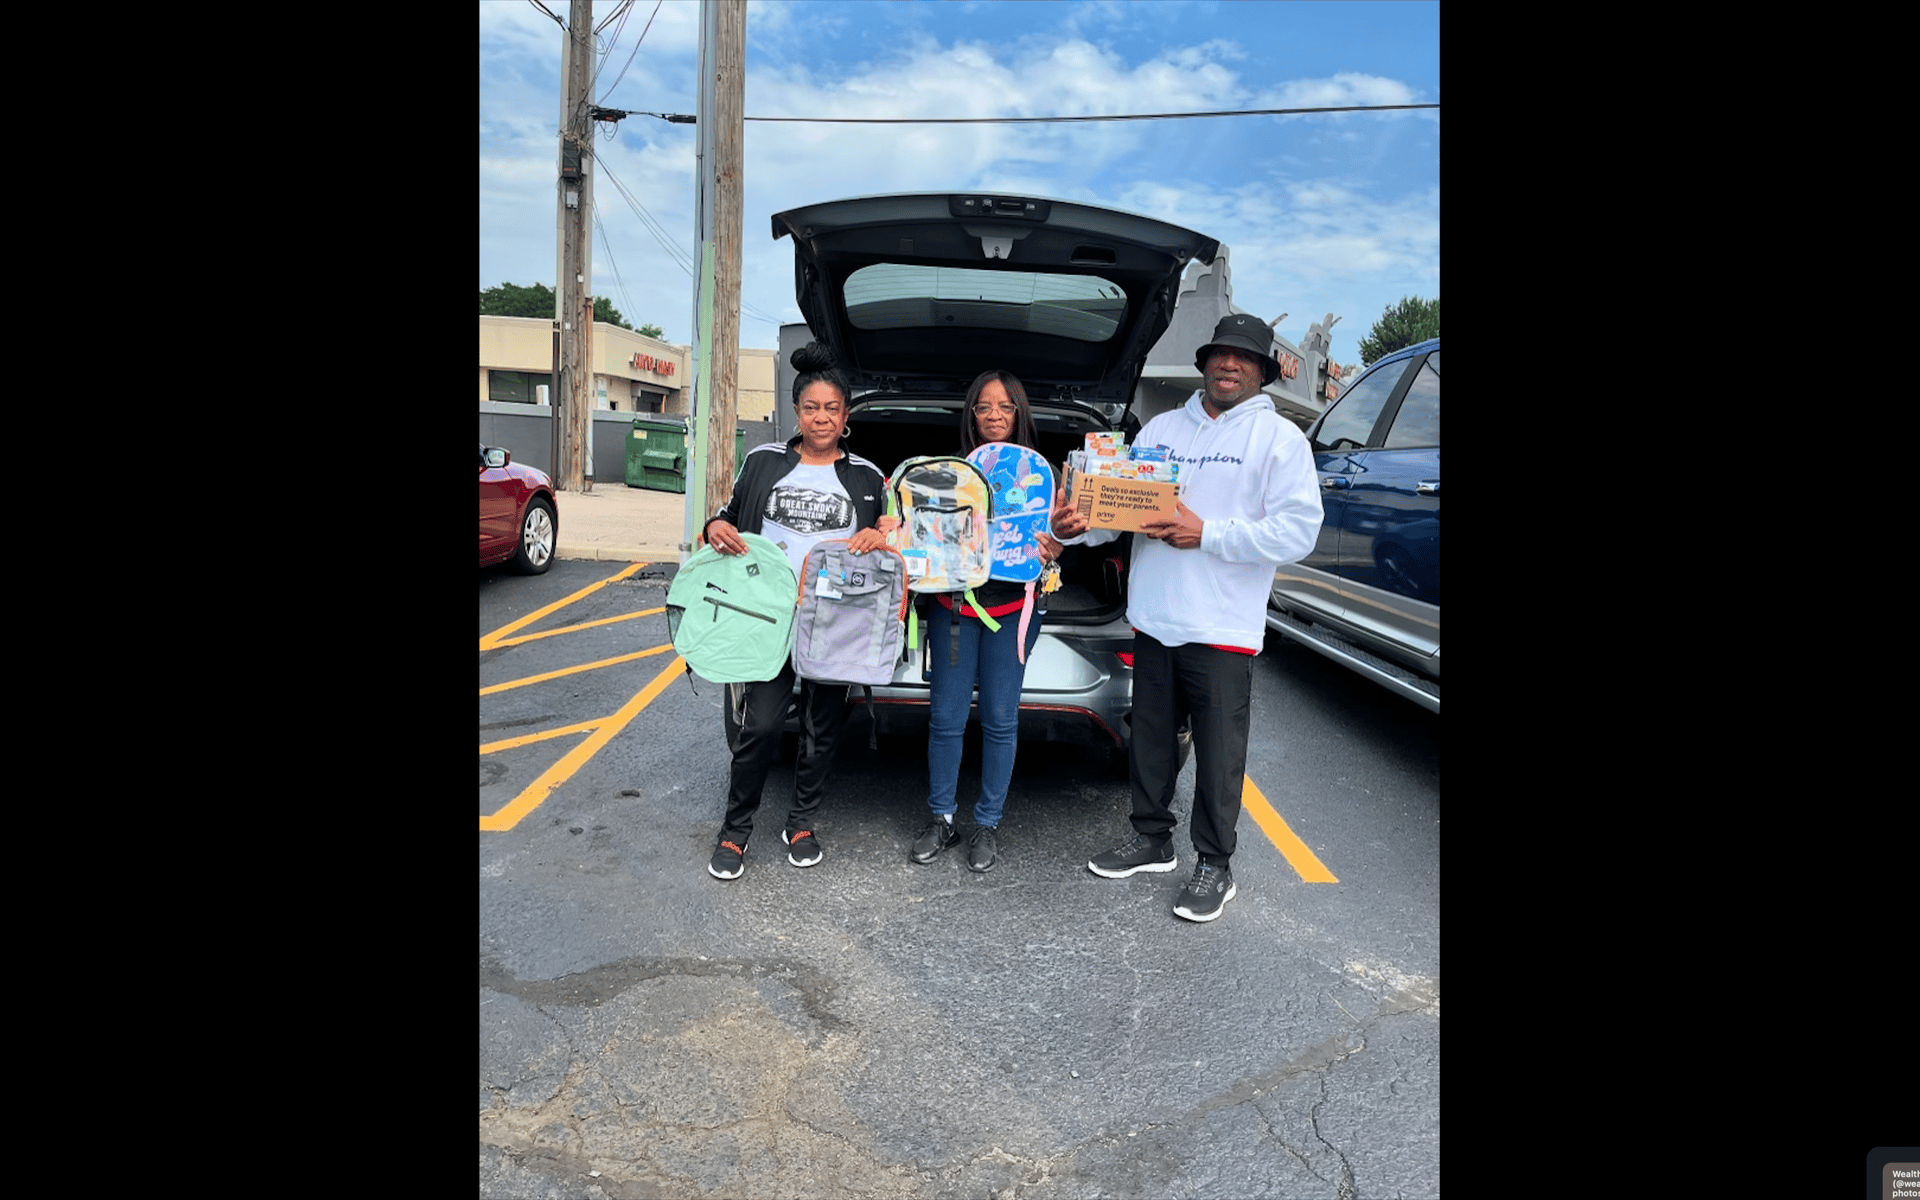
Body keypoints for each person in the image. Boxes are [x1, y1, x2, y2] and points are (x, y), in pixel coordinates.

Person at [1051, 314, 1323, 922]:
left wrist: (1210, 534)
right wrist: (1078, 528)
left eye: (1244, 358)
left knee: (1221, 755)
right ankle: (1151, 839)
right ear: (1205, 362)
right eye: (1221, 353)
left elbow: (1300, 532)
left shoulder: (1279, 441)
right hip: (1154, 617)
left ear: (1263, 371)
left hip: (1223, 626)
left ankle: (1215, 863)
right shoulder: (1160, 431)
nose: (1230, 365)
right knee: (1150, 739)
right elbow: (1119, 509)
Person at [700, 342, 891, 880]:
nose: (822, 417)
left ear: (846, 415)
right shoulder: (762, 462)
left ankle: (801, 822)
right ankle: (735, 832)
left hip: (835, 617)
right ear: (797, 411)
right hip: (770, 615)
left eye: (832, 408)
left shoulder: (869, 478)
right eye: (812, 408)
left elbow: (889, 537)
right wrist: (715, 529)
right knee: (759, 727)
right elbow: (726, 518)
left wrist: (880, 535)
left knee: (822, 728)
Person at [910, 370, 1063, 873]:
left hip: (1012, 609)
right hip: (954, 609)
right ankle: (941, 818)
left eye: (1005, 406)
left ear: (1020, 413)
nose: (994, 415)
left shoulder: (1044, 478)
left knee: (1001, 719)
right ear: (970, 415)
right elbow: (923, 540)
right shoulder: (945, 474)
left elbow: (1065, 543)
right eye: (983, 406)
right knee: (946, 720)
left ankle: (988, 823)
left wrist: (1059, 546)